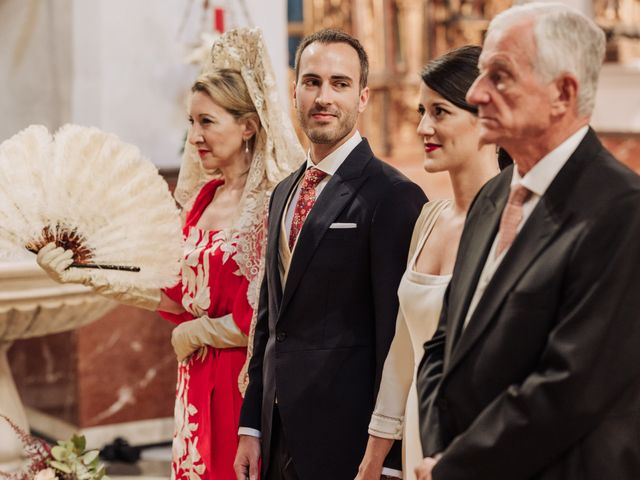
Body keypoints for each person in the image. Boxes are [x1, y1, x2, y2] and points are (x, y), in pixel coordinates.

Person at [37, 28, 302, 480]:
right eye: (191, 122)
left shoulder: (271, 203)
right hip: (195, 382)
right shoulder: (203, 199)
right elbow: (172, 291)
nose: (195, 136)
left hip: (244, 387)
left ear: (248, 127)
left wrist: (198, 332)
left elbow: (268, 318)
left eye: (207, 121)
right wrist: (83, 273)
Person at [414, 3, 640, 480]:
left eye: (499, 76)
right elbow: (444, 343)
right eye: (480, 75)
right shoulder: (493, 194)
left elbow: (571, 387)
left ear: (562, 92)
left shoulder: (621, 209)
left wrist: (458, 464)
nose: (476, 94)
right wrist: (440, 449)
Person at [233, 29, 427, 480]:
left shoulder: (392, 196)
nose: (324, 97)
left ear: (362, 97)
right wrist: (251, 425)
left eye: (339, 84)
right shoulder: (284, 192)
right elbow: (270, 319)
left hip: (349, 443)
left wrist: (390, 458)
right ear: (294, 89)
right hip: (275, 431)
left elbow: (395, 339)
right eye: (312, 82)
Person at [356, 45, 502, 479]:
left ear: (485, 121)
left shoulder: (514, 225)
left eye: (439, 112)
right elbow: (404, 351)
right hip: (421, 438)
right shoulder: (428, 218)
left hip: (478, 443)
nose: (422, 127)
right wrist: (373, 459)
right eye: (422, 110)